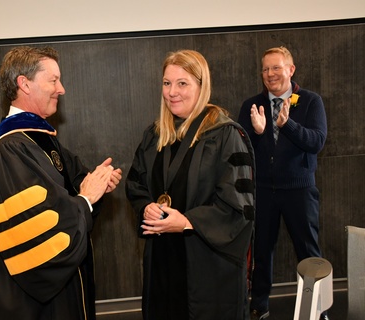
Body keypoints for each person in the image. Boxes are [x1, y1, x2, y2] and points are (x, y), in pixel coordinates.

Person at [0, 46, 122, 320]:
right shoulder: (9, 150)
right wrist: (86, 199)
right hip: (34, 303)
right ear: (24, 83)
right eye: (53, 80)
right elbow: (39, 227)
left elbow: (76, 182)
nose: (61, 89)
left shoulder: (40, 137)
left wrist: (98, 183)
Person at [126, 49, 255, 319]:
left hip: (206, 261)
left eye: (182, 83)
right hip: (163, 257)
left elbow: (238, 206)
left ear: (201, 85)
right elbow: (136, 182)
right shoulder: (156, 135)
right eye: (167, 83)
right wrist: (146, 206)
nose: (172, 92)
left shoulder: (225, 135)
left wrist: (186, 222)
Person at [237, 46, 328, 320]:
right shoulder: (251, 106)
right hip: (263, 191)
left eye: (276, 67)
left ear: (290, 69)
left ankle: (319, 308)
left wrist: (287, 124)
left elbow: (316, 142)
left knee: (309, 254)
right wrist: (257, 132)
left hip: (300, 190)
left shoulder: (310, 101)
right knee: (262, 251)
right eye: (265, 69)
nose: (270, 74)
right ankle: (260, 305)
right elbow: (241, 151)